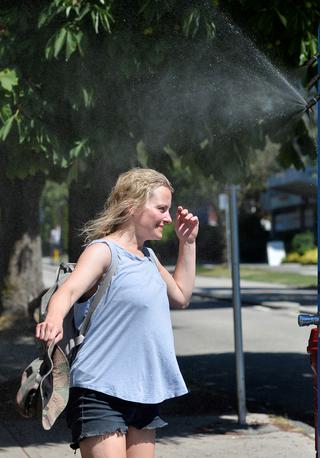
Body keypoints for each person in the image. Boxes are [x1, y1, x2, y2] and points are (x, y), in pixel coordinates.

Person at [35, 168, 199, 457]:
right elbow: (69, 291)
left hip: (146, 390)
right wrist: (53, 319)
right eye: (161, 208)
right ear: (132, 207)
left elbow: (181, 296)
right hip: (100, 390)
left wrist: (188, 243)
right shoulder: (103, 251)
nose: (168, 218)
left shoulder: (148, 257)